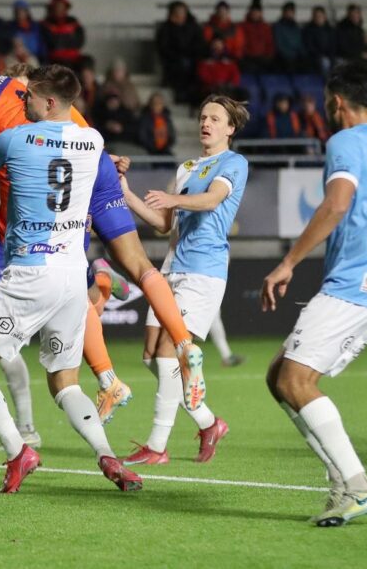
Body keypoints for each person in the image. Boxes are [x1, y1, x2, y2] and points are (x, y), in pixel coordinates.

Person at [0, 68, 208, 413]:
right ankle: (183, 344)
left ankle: (101, 374)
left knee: (67, 281)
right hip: (91, 160)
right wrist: (98, 148)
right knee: (139, 266)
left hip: (56, 183)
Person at [0, 64, 143, 493]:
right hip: (73, 278)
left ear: (50, 101)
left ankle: (17, 450)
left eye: (29, 96)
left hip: (29, 272)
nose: (22, 100)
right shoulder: (93, 141)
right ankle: (107, 455)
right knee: (65, 383)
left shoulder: (14, 138)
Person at [262, 62, 367, 527]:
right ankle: (341, 481)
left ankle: (358, 485)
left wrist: (288, 262)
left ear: (336, 102)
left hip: (356, 280)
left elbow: (336, 204)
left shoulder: (345, 142)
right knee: (279, 376)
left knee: (297, 380)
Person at [119, 95, 250, 465]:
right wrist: (126, 193)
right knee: (152, 356)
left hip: (203, 272)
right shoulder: (187, 167)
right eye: (203, 116)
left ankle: (157, 446)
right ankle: (208, 422)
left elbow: (211, 200)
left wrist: (172, 199)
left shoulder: (234, 163)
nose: (205, 123)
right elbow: (164, 223)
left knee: (168, 353)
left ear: (230, 128)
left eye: (215, 118)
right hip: (170, 270)